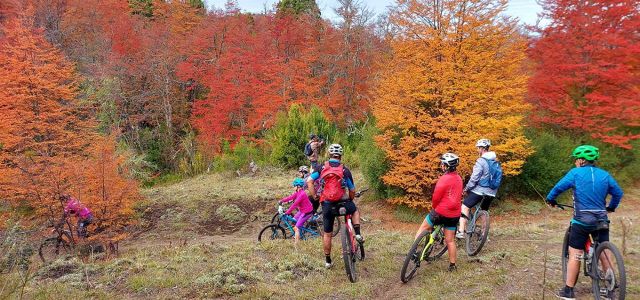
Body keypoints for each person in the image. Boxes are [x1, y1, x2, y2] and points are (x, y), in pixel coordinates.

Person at [545, 145, 623, 300]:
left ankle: (568, 291)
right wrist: (611, 207)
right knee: (604, 251)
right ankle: (610, 288)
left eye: (576, 158)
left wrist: (550, 199)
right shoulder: (605, 175)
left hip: (581, 220)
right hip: (601, 219)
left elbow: (558, 188)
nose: (575, 161)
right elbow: (618, 193)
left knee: (575, 253)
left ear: (581, 160)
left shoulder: (575, 173)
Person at [306, 143, 361, 269]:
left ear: (329, 154)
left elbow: (309, 181)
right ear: (340, 156)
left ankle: (328, 261)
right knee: (355, 210)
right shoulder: (345, 170)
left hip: (327, 204)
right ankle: (357, 233)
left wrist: (315, 196)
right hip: (342, 201)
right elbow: (352, 189)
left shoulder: (321, 168)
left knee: (327, 234)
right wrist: (350, 199)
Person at [413, 153, 463, 271]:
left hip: (440, 212)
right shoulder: (459, 179)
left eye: (443, 163)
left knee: (424, 227)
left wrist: (434, 208)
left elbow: (436, 197)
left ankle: (413, 251)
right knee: (450, 240)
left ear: (447, 166)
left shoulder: (444, 179)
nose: (441, 165)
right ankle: (452, 265)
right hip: (454, 215)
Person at [457, 138, 498, 239]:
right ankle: (484, 235)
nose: (477, 150)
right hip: (492, 192)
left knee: (465, 206)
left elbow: (474, 178)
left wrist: (466, 188)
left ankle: (461, 231)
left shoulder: (481, 161)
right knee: (484, 211)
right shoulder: (495, 161)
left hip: (480, 190)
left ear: (482, 148)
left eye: (478, 148)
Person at [279, 178, 314, 246]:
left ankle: (296, 245)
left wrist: (287, 212)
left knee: (296, 228)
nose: (293, 187)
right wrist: (282, 200)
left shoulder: (302, 194)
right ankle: (299, 232)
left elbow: (294, 205)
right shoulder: (298, 192)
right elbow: (291, 197)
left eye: (294, 185)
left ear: (298, 186)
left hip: (306, 212)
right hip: (302, 211)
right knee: (294, 221)